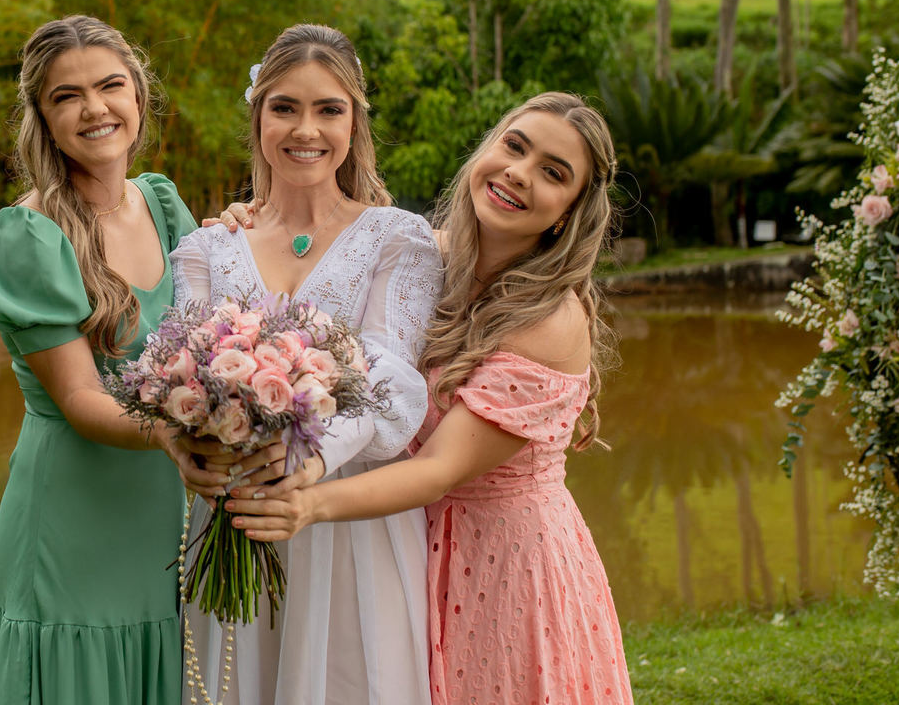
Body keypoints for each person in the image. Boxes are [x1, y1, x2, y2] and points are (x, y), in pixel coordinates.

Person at [227, 92, 635, 705]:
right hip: (406, 544)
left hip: (508, 566)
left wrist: (305, 505)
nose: (518, 174)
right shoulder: (420, 255)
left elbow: (438, 468)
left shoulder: (550, 320)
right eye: (514, 146)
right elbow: (321, 250)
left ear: (567, 213)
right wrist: (252, 229)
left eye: (554, 173)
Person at [168, 24, 443, 705]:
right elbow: (179, 373)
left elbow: (388, 377)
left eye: (329, 109)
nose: (306, 129)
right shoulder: (206, 248)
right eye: (284, 106)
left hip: (348, 519)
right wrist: (186, 445)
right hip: (236, 515)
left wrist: (309, 470)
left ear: (355, 119)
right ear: (257, 114)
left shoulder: (398, 239)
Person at [0, 15, 204, 705]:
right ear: (42, 118)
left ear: (139, 94)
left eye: (110, 86)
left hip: (160, 511)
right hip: (71, 512)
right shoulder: (28, 234)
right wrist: (175, 431)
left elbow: (218, 328)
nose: (95, 108)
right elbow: (79, 399)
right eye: (67, 96)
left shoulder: (162, 205)